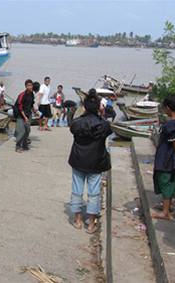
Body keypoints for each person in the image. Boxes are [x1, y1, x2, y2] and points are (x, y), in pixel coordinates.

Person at [68, 89, 112, 233]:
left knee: (77, 190)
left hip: (78, 160)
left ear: (85, 107)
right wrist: (102, 114)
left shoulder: (77, 123)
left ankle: (78, 219)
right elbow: (108, 127)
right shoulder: (104, 125)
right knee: (94, 193)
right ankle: (91, 224)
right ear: (99, 107)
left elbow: (73, 126)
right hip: (95, 162)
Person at [152, 94, 175, 220]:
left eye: (164, 108)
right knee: (168, 181)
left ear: (168, 108)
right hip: (168, 158)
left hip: (166, 158)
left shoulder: (170, 125)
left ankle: (165, 212)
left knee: (165, 182)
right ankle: (166, 206)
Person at [15, 80, 35, 153]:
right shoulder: (22, 95)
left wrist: (34, 111)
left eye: (31, 85)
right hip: (21, 115)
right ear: (26, 86)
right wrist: (25, 117)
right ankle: (17, 146)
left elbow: (31, 104)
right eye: (29, 85)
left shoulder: (32, 94)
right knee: (21, 131)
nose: (30, 87)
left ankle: (24, 145)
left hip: (29, 114)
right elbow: (20, 107)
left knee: (27, 130)